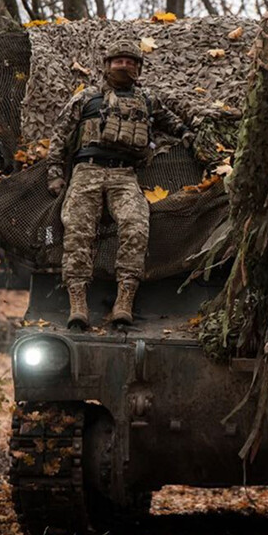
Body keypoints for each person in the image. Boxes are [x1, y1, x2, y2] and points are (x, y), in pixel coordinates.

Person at [46, 42, 195, 329]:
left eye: (130, 62)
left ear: (138, 68)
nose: (124, 66)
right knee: (77, 229)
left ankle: (124, 301)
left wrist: (187, 133)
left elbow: (171, 121)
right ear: (107, 65)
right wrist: (55, 172)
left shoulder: (148, 100)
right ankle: (78, 303)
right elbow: (60, 136)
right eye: (119, 61)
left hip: (124, 176)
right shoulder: (86, 98)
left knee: (136, 225)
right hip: (87, 172)